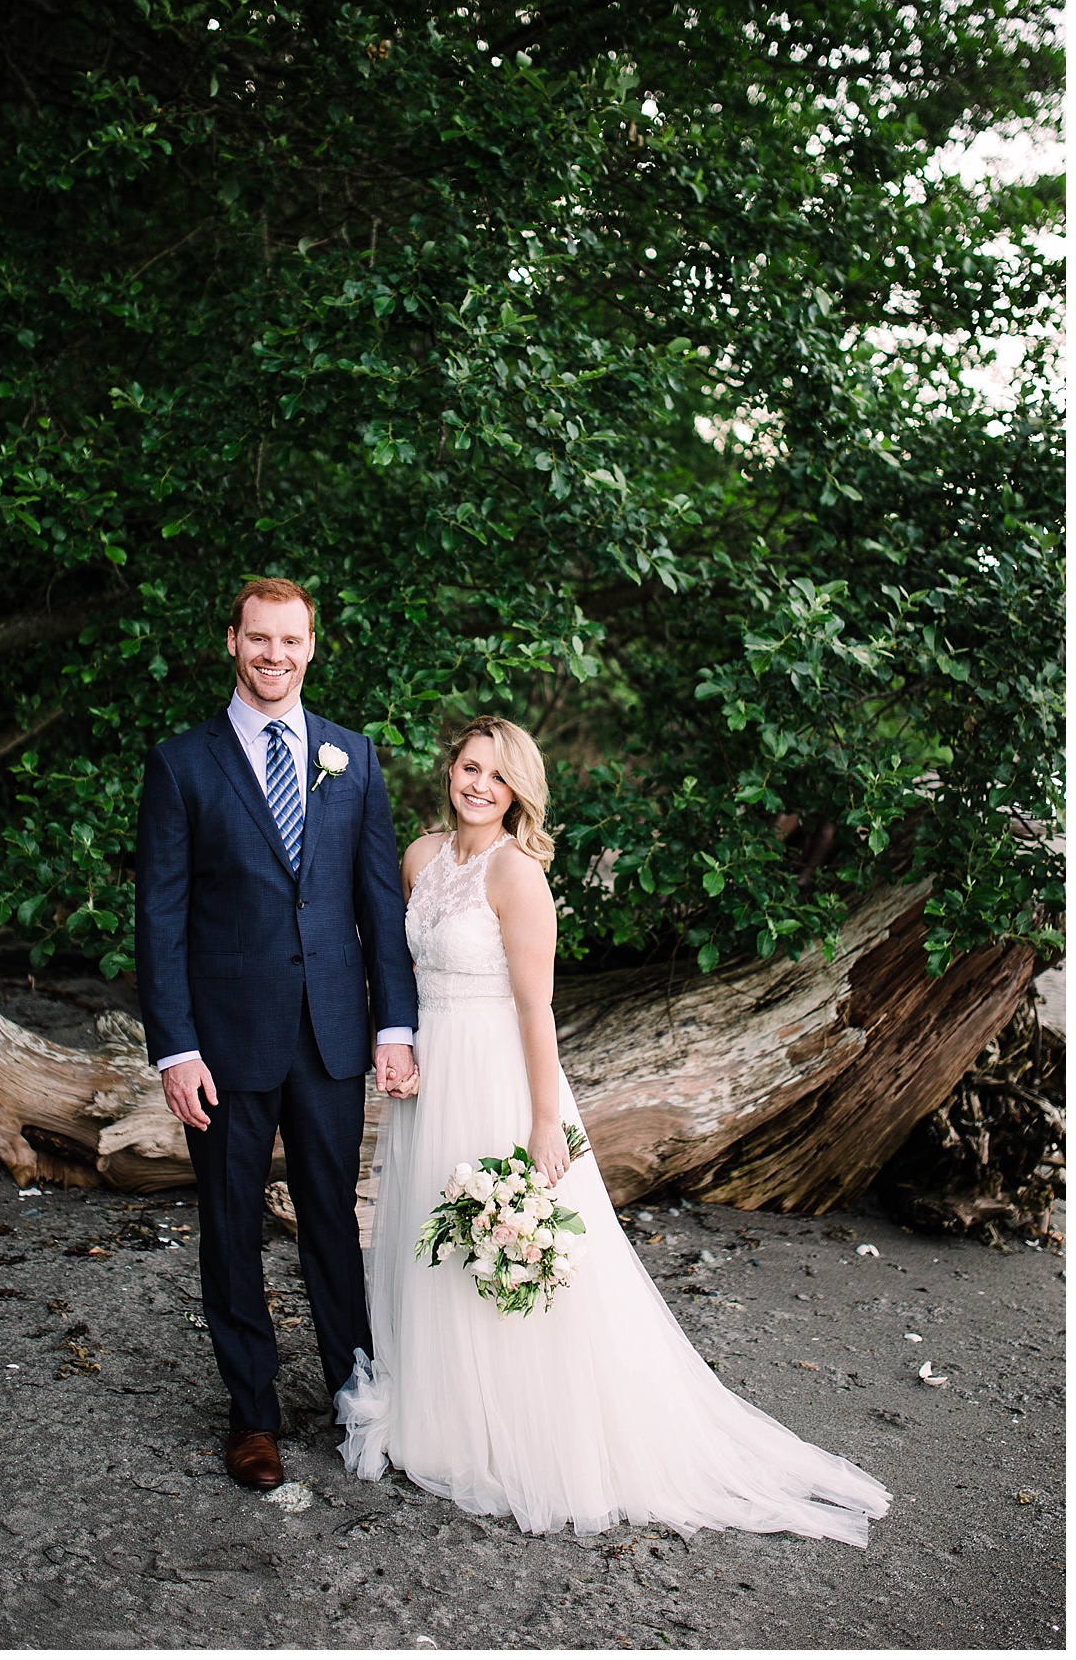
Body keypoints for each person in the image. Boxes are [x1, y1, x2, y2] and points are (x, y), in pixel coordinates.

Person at [336, 717, 891, 1543]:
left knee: (503, 1240)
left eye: (499, 775)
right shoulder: (420, 857)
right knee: (432, 1231)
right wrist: (398, 1043)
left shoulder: (518, 875)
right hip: (432, 1074)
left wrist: (543, 1121)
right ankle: (442, 1416)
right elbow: (397, 968)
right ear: (448, 769)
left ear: (520, 790)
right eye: (469, 766)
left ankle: (516, 1427)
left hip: (496, 1072)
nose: (479, 784)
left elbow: (536, 1006)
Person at [134, 576, 417, 1491]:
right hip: (223, 1043)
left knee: (333, 1219)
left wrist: (394, 1024)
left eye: (290, 641)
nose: (274, 655)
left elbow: (379, 901)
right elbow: (161, 918)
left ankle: (355, 1391)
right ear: (232, 642)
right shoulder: (182, 764)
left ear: (310, 646)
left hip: (332, 1035)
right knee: (229, 1224)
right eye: (259, 639)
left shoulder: (352, 756)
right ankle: (252, 1413)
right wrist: (175, 1048)